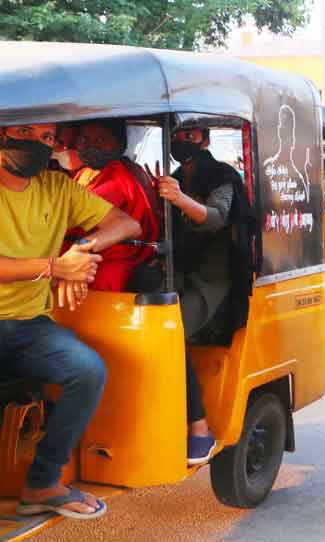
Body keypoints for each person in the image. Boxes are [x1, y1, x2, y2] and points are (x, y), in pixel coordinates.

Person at [0, 122, 141, 519]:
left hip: (29, 324)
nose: (35, 143)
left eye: (46, 138)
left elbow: (126, 225)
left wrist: (81, 250)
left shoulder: (56, 187)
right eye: (25, 131)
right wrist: (54, 267)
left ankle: (42, 481)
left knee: (88, 370)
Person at [153, 126, 244, 465]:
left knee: (169, 336)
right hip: (177, 271)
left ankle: (200, 429)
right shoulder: (174, 176)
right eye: (179, 135)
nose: (183, 141)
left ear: (205, 140)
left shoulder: (223, 176)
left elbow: (216, 218)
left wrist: (179, 199)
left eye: (191, 135)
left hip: (213, 277)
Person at [64, 119, 159, 291]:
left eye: (101, 140)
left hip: (111, 259)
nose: (91, 146)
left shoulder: (122, 175)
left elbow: (74, 214)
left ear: (120, 143)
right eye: (85, 139)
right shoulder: (84, 173)